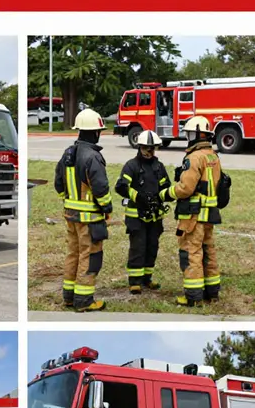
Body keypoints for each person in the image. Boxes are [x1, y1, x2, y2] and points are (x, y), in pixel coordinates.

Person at [159, 116, 225, 307]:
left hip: (193, 216)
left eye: (189, 134)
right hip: (210, 215)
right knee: (208, 252)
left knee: (191, 253)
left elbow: (185, 188)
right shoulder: (213, 156)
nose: (188, 137)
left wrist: (166, 193)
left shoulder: (194, 157)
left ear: (197, 134)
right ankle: (212, 293)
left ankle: (193, 297)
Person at [54, 109, 113, 312]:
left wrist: (68, 202)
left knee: (73, 254)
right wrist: (107, 208)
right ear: (95, 132)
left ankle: (69, 297)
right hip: (89, 219)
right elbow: (101, 188)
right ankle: (84, 300)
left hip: (70, 215)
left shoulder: (67, 154)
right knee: (90, 256)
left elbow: (58, 183)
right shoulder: (93, 157)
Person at [115, 130, 171, 294]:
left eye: (152, 148)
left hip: (155, 216)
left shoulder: (158, 167)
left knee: (152, 247)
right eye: (146, 148)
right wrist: (138, 197)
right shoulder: (131, 166)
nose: (149, 152)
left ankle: (147, 279)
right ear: (139, 147)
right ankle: (134, 281)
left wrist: (161, 197)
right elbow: (121, 186)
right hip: (136, 216)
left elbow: (166, 187)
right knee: (138, 248)